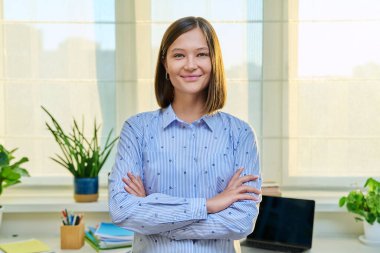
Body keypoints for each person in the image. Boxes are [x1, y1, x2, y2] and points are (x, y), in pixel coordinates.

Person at [108, 16, 262, 253]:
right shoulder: (137, 130)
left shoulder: (240, 134)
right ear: (165, 65)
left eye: (201, 54)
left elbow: (241, 223)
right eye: (179, 55)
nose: (190, 64)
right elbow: (123, 211)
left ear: (215, 61)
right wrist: (210, 205)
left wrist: (152, 212)